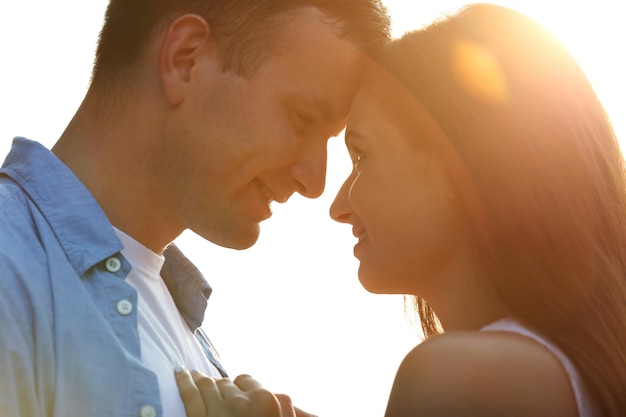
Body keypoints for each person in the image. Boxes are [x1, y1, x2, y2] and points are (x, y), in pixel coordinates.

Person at [177, 3, 626, 416]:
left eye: (361, 156)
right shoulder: (574, 372)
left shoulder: (457, 380)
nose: (336, 206)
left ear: (458, 165)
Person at [0, 1, 391, 416]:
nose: (314, 182)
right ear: (184, 58)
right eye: (303, 118)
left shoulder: (179, 326)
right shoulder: (12, 270)